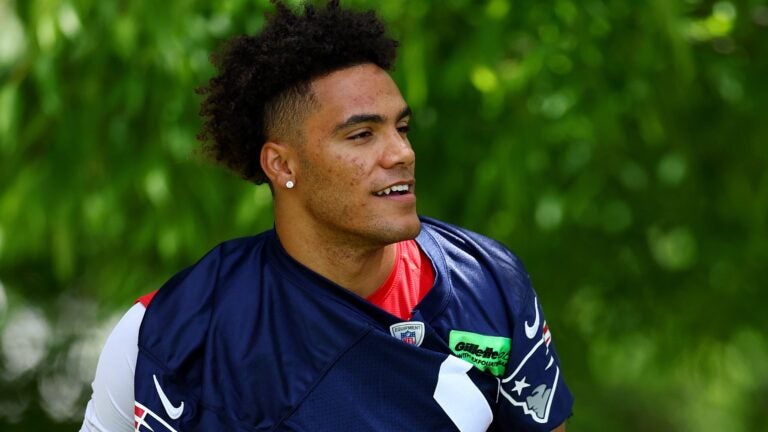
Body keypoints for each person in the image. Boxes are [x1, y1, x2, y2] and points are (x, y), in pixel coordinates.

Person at [80, 1, 573, 431]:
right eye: (362, 135)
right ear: (282, 165)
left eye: (401, 128)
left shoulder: (488, 283)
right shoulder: (174, 328)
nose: (401, 152)